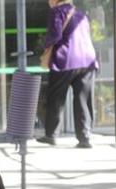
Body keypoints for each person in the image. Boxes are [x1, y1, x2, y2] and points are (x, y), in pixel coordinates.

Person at [36, 0, 99, 149]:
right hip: (87, 60)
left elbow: (55, 34)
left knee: (56, 97)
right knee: (83, 99)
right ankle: (85, 137)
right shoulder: (81, 13)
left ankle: (51, 135)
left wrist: (44, 47)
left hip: (65, 59)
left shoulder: (57, 12)